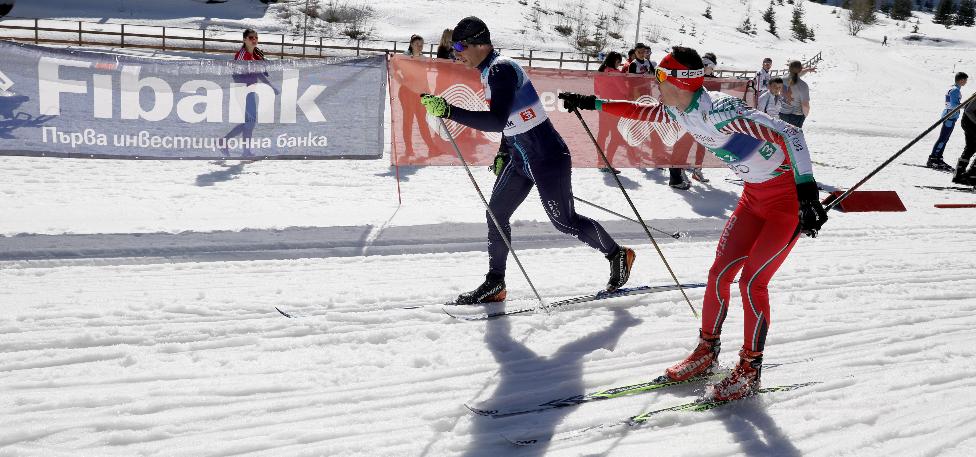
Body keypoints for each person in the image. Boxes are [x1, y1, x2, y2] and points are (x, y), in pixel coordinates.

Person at [560, 46, 827, 401]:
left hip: (786, 203)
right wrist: (593, 103)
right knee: (718, 274)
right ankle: (707, 351)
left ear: (679, 82)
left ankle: (750, 368)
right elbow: (643, 113)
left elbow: (790, 134)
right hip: (753, 199)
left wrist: (807, 195)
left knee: (752, 283)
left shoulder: (723, 112)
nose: (655, 83)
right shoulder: (678, 108)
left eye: (660, 77)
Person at [419, 17, 637, 304]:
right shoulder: (488, 71)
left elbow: (496, 120)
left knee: (565, 222)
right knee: (496, 215)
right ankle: (495, 283)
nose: (456, 53)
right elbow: (510, 121)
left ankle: (617, 254)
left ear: (479, 44)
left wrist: (449, 111)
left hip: (547, 157)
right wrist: (503, 151)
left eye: (460, 46)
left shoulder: (500, 70)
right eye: (453, 47)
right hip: (520, 157)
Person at [225, 28, 275, 157]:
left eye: (256, 37)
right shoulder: (242, 54)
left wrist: (270, 85)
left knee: (250, 122)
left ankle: (245, 151)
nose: (254, 40)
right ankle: (225, 142)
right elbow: (236, 74)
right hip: (243, 91)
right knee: (250, 122)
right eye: (251, 38)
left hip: (251, 91)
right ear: (244, 40)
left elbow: (258, 72)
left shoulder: (255, 54)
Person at [929, 72, 969, 171]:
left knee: (944, 138)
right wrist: (966, 105)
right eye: (965, 80)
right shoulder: (955, 90)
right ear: (961, 80)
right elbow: (954, 105)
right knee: (943, 138)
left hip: (949, 115)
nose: (966, 82)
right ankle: (934, 159)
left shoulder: (953, 88)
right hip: (950, 117)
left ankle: (938, 158)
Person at [596, 52, 626, 174]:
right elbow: (624, 90)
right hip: (614, 107)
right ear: (613, 61)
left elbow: (597, 90)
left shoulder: (600, 72)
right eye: (618, 62)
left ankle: (601, 162)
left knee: (602, 135)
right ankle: (608, 162)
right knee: (616, 136)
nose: (619, 64)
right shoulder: (615, 73)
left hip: (602, 105)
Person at [780, 60, 811, 128]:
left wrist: (807, 70)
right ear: (800, 69)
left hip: (782, 114)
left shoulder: (782, 79)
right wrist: (804, 116)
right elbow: (805, 105)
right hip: (796, 116)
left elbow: (794, 74)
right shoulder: (803, 85)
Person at [954, 94, 976, 185]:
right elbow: (968, 110)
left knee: (970, 148)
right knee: (971, 147)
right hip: (971, 124)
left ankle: (959, 175)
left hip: (968, 123)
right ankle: (971, 174)